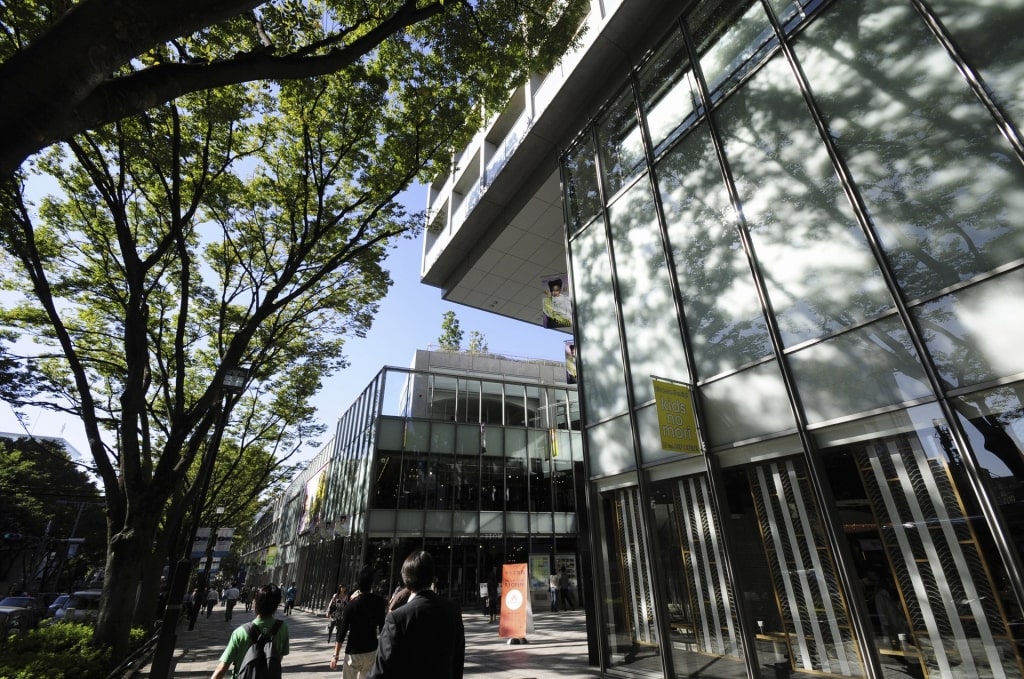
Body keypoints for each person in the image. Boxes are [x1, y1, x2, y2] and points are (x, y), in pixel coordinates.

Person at [368, 551, 464, 679]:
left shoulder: (397, 619)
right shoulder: (453, 610)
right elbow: (457, 661)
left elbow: (381, 671)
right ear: (432, 577)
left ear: (405, 579)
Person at [210, 584, 289, 679]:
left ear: (255, 604)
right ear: (276, 605)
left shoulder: (240, 632)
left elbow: (222, 668)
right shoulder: (283, 628)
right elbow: (277, 659)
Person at [330, 567, 386, 678]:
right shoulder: (379, 602)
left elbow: (342, 631)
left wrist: (335, 655)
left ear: (358, 585)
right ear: (371, 585)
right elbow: (383, 628)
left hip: (353, 651)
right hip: (371, 650)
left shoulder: (351, 605)